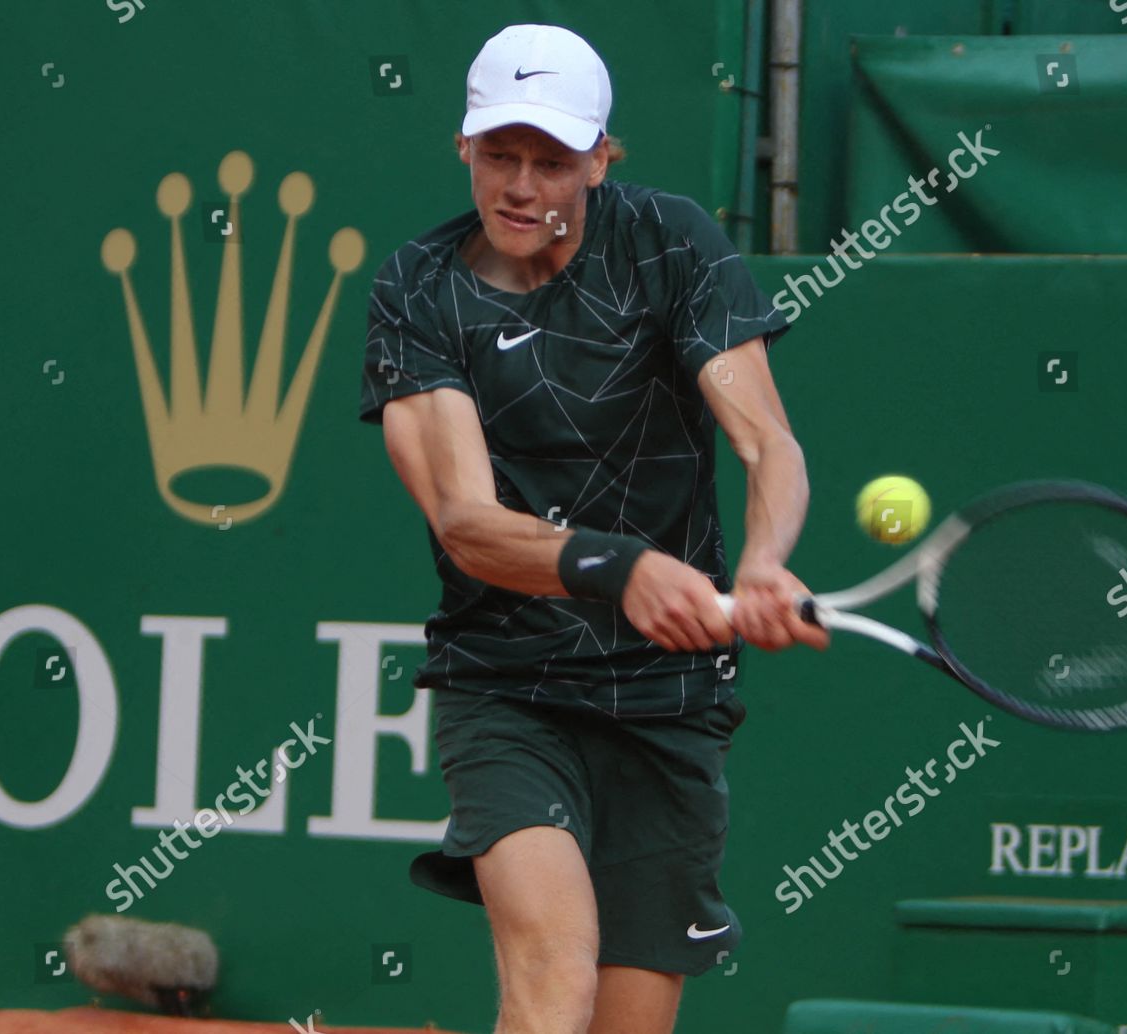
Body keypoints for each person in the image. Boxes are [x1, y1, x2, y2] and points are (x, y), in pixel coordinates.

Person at [359, 23, 827, 1034]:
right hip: (510, 688)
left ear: (603, 158)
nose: (523, 186)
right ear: (464, 149)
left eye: (555, 161)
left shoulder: (671, 242)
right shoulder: (418, 287)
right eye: (500, 155)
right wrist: (621, 566)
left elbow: (768, 444)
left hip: (669, 702)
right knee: (553, 976)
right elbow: (466, 521)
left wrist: (763, 561)